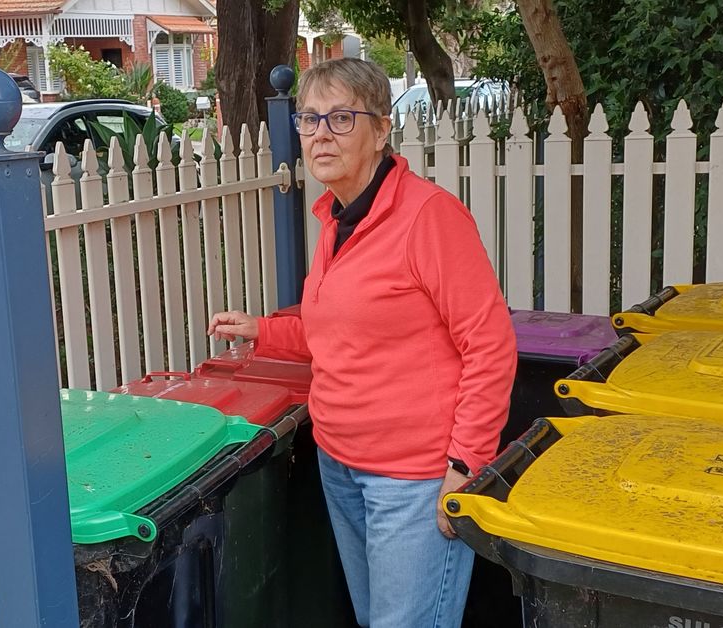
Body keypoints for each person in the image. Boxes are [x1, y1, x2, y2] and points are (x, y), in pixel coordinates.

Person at [208, 58, 515, 628]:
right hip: (341, 464)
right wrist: (262, 329)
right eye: (310, 119)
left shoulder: (429, 217)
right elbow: (339, 333)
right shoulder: (336, 217)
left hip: (414, 479)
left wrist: (465, 462)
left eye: (342, 118)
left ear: (380, 132)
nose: (321, 133)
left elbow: (490, 345)